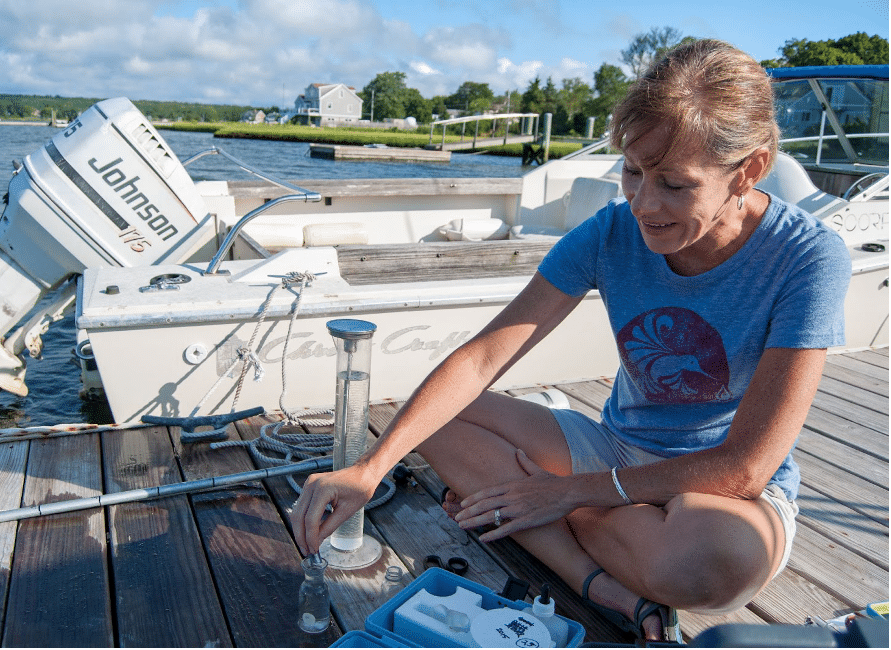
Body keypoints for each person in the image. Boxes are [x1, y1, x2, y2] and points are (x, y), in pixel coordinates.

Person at [290, 39, 851, 643]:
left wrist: (565, 496)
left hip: (720, 489)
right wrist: (371, 468)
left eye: (676, 184)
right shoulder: (611, 231)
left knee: (709, 566)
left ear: (749, 170)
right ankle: (601, 583)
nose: (644, 204)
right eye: (633, 173)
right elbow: (483, 357)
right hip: (616, 446)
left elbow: (745, 467)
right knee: (434, 417)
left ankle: (541, 515)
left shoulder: (806, 258)